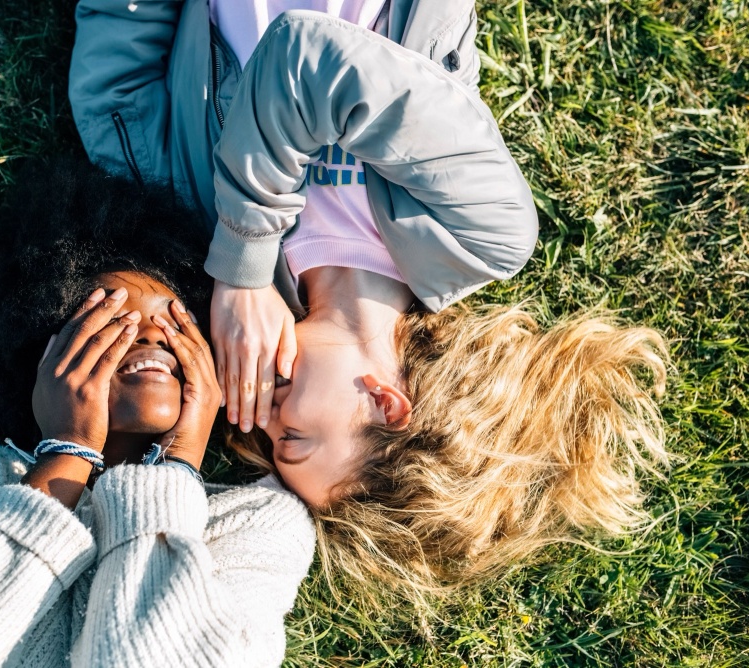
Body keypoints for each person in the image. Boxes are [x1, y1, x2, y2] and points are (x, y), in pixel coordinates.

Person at [69, 1, 670, 603]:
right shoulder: (483, 234)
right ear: (386, 404)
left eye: (271, 444)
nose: (260, 416)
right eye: (294, 438)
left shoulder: (196, 234)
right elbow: (301, 56)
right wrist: (245, 265)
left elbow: (115, 92)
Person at [0, 160, 316, 668]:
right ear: (44, 356)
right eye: (113, 320)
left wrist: (176, 472)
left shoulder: (258, 524)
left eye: (177, 320)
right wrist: (70, 451)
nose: (153, 334)